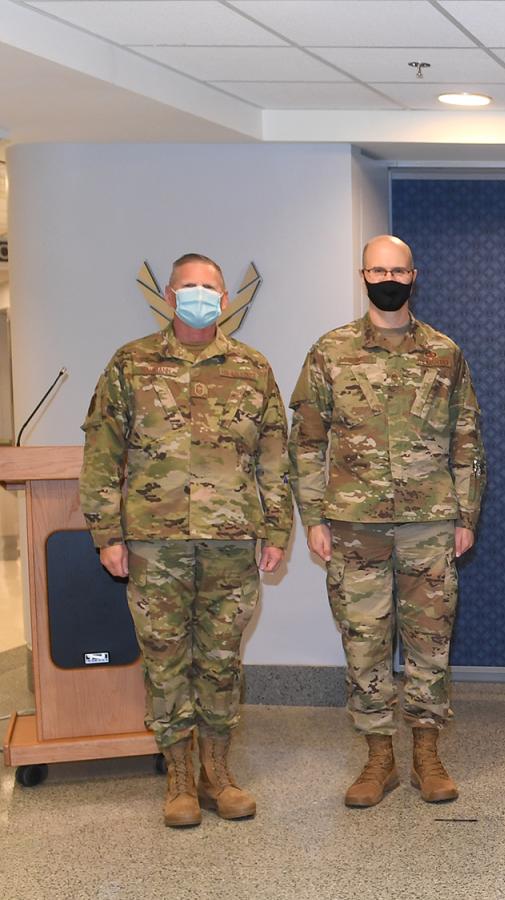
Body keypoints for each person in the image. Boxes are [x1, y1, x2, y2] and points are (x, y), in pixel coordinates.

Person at [80, 252, 292, 827]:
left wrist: (277, 529)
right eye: (189, 286)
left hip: (231, 542)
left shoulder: (252, 367)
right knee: (166, 660)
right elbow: (101, 452)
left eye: (210, 288)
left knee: (222, 660)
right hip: (155, 543)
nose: (200, 295)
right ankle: (177, 778)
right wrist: (107, 533)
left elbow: (274, 456)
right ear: (170, 296)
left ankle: (217, 774)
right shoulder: (131, 364)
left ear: (224, 301)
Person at [289, 235, 484, 808]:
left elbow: (467, 438)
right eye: (379, 269)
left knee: (430, 642)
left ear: (413, 276)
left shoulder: (444, 352)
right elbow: (306, 441)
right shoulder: (331, 351)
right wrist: (313, 518)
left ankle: (427, 754)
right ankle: (379, 758)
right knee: (364, 643)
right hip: (353, 526)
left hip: (429, 522)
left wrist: (465, 514)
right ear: (363, 275)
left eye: (398, 270)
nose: (389, 278)